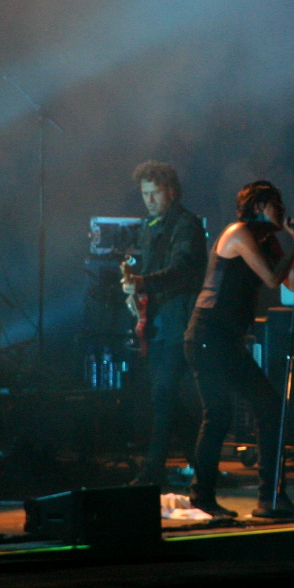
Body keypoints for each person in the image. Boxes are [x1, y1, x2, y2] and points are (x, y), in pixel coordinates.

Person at [184, 180, 294, 519]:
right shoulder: (238, 234)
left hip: (226, 340)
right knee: (219, 416)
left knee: (268, 408)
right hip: (208, 335)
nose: (282, 211)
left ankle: (270, 499)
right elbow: (271, 279)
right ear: (257, 206)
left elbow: (293, 283)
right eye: (276, 205)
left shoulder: (269, 241)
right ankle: (202, 497)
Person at [120, 161, 207, 487]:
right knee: (166, 396)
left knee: (164, 392)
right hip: (157, 321)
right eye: (145, 194)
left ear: (171, 191)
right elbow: (150, 271)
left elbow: (183, 270)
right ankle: (201, 465)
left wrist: (144, 282)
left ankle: (154, 468)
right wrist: (134, 289)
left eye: (155, 192)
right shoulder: (147, 226)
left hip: (180, 320)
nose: (150, 200)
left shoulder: (186, 224)